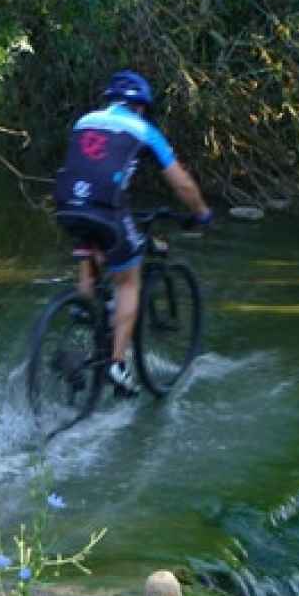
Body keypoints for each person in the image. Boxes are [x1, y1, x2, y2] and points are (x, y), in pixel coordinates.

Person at [53, 70, 214, 392]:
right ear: (141, 105)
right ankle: (117, 364)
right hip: (105, 208)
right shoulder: (144, 129)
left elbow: (88, 165)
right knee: (129, 280)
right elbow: (181, 182)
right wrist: (202, 212)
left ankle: (82, 320)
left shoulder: (85, 120)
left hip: (67, 203)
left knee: (92, 253)